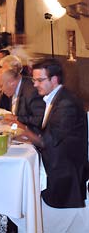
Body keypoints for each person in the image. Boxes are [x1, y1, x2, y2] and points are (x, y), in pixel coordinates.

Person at [23, 59, 88, 232]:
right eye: (33, 80)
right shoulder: (55, 97)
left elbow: (47, 141)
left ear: (54, 80)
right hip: (55, 160)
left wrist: (20, 130)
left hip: (65, 171)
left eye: (39, 80)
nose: (35, 84)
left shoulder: (67, 103)